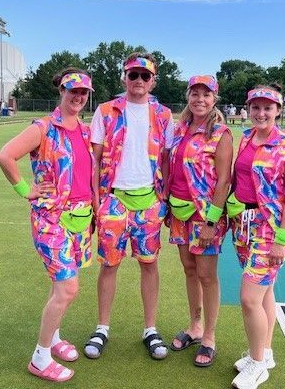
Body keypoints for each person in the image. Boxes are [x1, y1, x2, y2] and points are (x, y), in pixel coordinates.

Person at [0, 68, 95, 383]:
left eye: (83, 92)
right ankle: (40, 358)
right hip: (52, 220)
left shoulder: (85, 130)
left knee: (59, 285)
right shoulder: (42, 128)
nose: (78, 97)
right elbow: (5, 156)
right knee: (68, 288)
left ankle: (53, 338)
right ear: (61, 91)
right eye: (72, 91)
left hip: (80, 219)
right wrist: (25, 189)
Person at [84, 52, 174, 361]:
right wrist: (97, 200)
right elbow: (95, 159)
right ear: (124, 77)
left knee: (149, 264)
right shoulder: (106, 110)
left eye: (144, 76)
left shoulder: (163, 115)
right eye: (132, 74)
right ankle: (102, 327)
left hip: (149, 201)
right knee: (109, 265)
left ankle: (150, 329)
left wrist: (163, 198)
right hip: (114, 199)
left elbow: (166, 158)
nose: (138, 80)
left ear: (153, 81)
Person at [228, 85, 285, 389]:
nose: (261, 113)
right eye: (256, 107)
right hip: (244, 224)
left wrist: (281, 240)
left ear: (278, 110)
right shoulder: (246, 137)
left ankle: (257, 364)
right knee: (266, 291)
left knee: (249, 299)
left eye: (268, 108)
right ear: (249, 108)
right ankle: (266, 352)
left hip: (272, 229)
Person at [167, 76, 233, 367]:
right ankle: (194, 326)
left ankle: (209, 336)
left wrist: (211, 221)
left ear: (214, 99)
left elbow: (224, 181)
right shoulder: (179, 129)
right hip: (179, 212)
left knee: (207, 275)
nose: (200, 99)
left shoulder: (220, 133)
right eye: (195, 93)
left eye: (206, 94)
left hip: (205, 216)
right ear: (188, 96)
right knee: (189, 269)